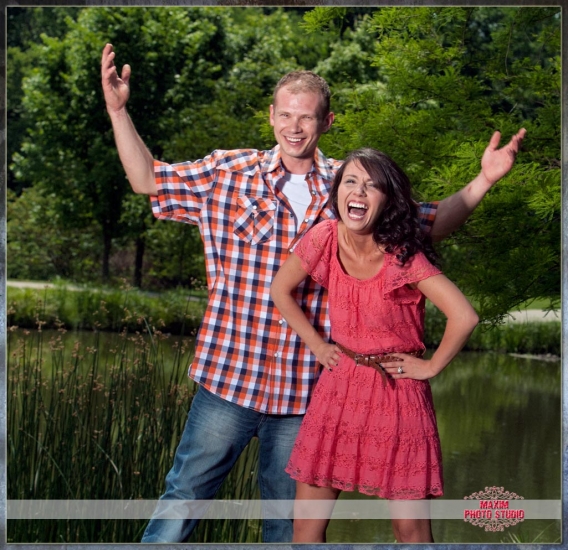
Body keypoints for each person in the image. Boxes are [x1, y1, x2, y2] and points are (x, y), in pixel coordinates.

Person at [100, 42, 525, 543]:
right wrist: (118, 110)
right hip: (229, 380)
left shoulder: (350, 185)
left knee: (288, 527)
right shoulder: (227, 173)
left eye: (307, 117)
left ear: (327, 122)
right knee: (181, 503)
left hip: (308, 392)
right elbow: (147, 179)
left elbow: (427, 223)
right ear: (271, 117)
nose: (295, 127)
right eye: (286, 115)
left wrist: (483, 180)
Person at [270, 147, 480, 543]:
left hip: (397, 393)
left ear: (387, 200)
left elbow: (464, 316)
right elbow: (280, 288)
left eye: (372, 185)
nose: (360, 192)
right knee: (305, 527)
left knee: (411, 531)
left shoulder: (404, 256)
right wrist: (316, 344)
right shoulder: (323, 237)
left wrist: (430, 366)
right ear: (337, 193)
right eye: (351, 181)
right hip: (339, 386)